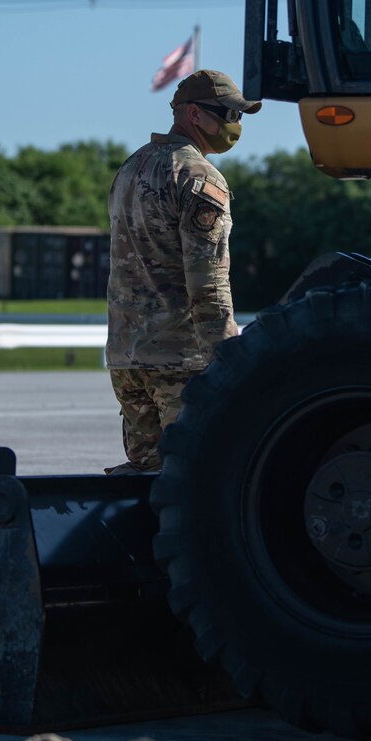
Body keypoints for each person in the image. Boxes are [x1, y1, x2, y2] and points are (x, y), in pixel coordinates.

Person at [103, 68, 260, 474]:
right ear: (193, 114)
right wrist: (231, 364)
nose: (236, 125)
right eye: (228, 114)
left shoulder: (130, 168)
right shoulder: (198, 177)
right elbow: (208, 285)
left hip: (127, 357)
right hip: (180, 362)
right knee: (198, 478)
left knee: (147, 478)